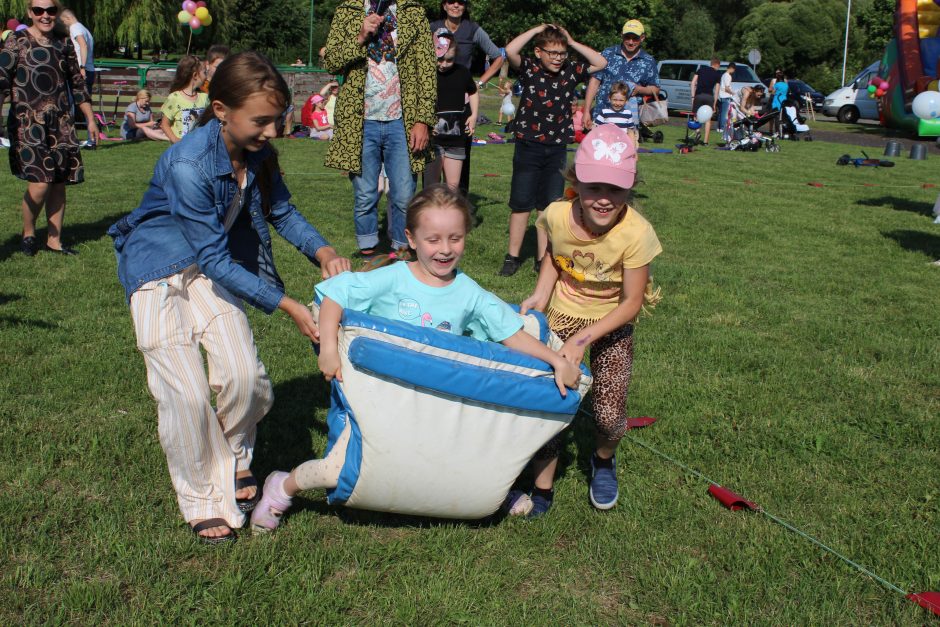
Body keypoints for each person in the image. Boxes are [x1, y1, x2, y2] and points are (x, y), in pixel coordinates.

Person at [107, 51, 351, 544]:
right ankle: (201, 497)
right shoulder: (187, 163)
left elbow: (281, 211)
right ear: (221, 110)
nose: (273, 131)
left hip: (208, 266)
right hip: (156, 269)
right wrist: (289, 305)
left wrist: (322, 250)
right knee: (186, 393)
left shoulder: (257, 154)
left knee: (247, 379)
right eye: (261, 120)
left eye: (277, 119)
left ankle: (233, 459)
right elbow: (217, 259)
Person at [249, 185, 582, 532]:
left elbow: (510, 332)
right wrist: (329, 349)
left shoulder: (468, 292)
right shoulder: (392, 278)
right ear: (411, 238)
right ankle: (282, 487)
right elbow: (335, 295)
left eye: (455, 238)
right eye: (433, 239)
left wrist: (555, 360)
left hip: (434, 402)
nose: (445, 249)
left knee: (465, 457)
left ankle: (501, 491)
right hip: (378, 400)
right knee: (339, 467)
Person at [508, 124, 661, 518]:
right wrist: (540, 296)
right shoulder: (556, 215)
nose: (604, 200)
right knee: (550, 399)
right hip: (561, 313)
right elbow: (554, 261)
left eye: (616, 190)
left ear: (630, 188)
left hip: (611, 322)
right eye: (594, 188)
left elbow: (631, 302)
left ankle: (604, 460)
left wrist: (584, 339)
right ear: (576, 181)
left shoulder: (637, 233)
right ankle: (543, 484)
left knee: (610, 417)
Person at [323, 0, 436, 258]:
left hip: (402, 120)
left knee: (405, 195)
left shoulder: (413, 12)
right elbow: (331, 61)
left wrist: (423, 120)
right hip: (360, 121)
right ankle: (368, 256)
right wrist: (361, 36)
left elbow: (427, 70)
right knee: (365, 195)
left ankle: (402, 254)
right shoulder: (348, 10)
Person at [497, 24, 606, 277]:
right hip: (528, 144)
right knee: (521, 203)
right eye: (552, 53)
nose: (558, 59)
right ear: (538, 52)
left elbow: (600, 62)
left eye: (562, 54)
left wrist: (571, 40)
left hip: (556, 147)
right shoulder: (529, 68)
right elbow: (510, 50)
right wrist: (536, 29)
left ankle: (542, 259)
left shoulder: (571, 71)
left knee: (549, 206)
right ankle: (512, 257)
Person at [0, 0, 98, 257]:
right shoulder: (16, 41)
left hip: (61, 122)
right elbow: (1, 82)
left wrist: (89, 119)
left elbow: (77, 84)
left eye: (51, 10)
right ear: (30, 13)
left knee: (58, 181)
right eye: (39, 10)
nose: (45, 15)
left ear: (57, 13)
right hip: (27, 122)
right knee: (41, 181)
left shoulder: (64, 43)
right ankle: (29, 233)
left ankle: (54, 240)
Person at [430, 0, 506, 197]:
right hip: (435, 103)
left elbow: (498, 56)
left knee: (459, 166)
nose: (456, 5)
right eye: (451, 1)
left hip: (461, 105)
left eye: (461, 2)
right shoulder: (432, 28)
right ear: (444, 5)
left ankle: (459, 208)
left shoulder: (473, 29)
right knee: (431, 165)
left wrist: (479, 83)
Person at [582, 19, 659, 132]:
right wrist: (586, 111)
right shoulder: (608, 54)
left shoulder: (648, 61)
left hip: (628, 121)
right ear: (622, 35)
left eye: (635, 38)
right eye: (627, 37)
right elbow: (594, 82)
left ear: (642, 38)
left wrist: (639, 89)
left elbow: (655, 89)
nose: (631, 42)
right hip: (602, 116)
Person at [423, 33, 478, 191]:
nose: (444, 64)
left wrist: (474, 115)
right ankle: (431, 215)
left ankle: (450, 214)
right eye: (440, 59)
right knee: (431, 187)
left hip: (456, 139)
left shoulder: (462, 72)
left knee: (453, 187)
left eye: (450, 60)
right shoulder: (427, 74)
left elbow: (473, 92)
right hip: (432, 140)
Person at [59, 9, 95, 146]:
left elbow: (82, 45)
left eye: (63, 23)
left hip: (81, 71)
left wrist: (82, 66)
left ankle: (70, 137)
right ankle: (91, 138)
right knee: (86, 105)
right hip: (90, 70)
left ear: (67, 19)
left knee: (70, 105)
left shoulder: (75, 28)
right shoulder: (85, 29)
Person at [160, 55, 209, 144]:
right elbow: (164, 124)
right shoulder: (174, 97)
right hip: (180, 153)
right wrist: (175, 140)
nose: (206, 77)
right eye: (205, 72)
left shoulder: (205, 98)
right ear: (195, 75)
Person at [689, 57, 721, 145]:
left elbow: (693, 83)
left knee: (696, 116)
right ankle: (706, 142)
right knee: (708, 119)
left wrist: (692, 97)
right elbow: (717, 90)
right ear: (717, 65)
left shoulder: (701, 70)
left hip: (699, 95)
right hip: (709, 96)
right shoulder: (718, 74)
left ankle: (698, 132)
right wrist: (714, 104)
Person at [718, 62, 735, 134]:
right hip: (726, 96)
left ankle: (718, 127)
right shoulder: (728, 76)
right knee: (724, 113)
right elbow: (727, 88)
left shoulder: (723, 75)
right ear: (732, 68)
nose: (734, 72)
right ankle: (722, 127)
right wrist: (732, 93)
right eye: (734, 70)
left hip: (721, 96)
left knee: (721, 113)